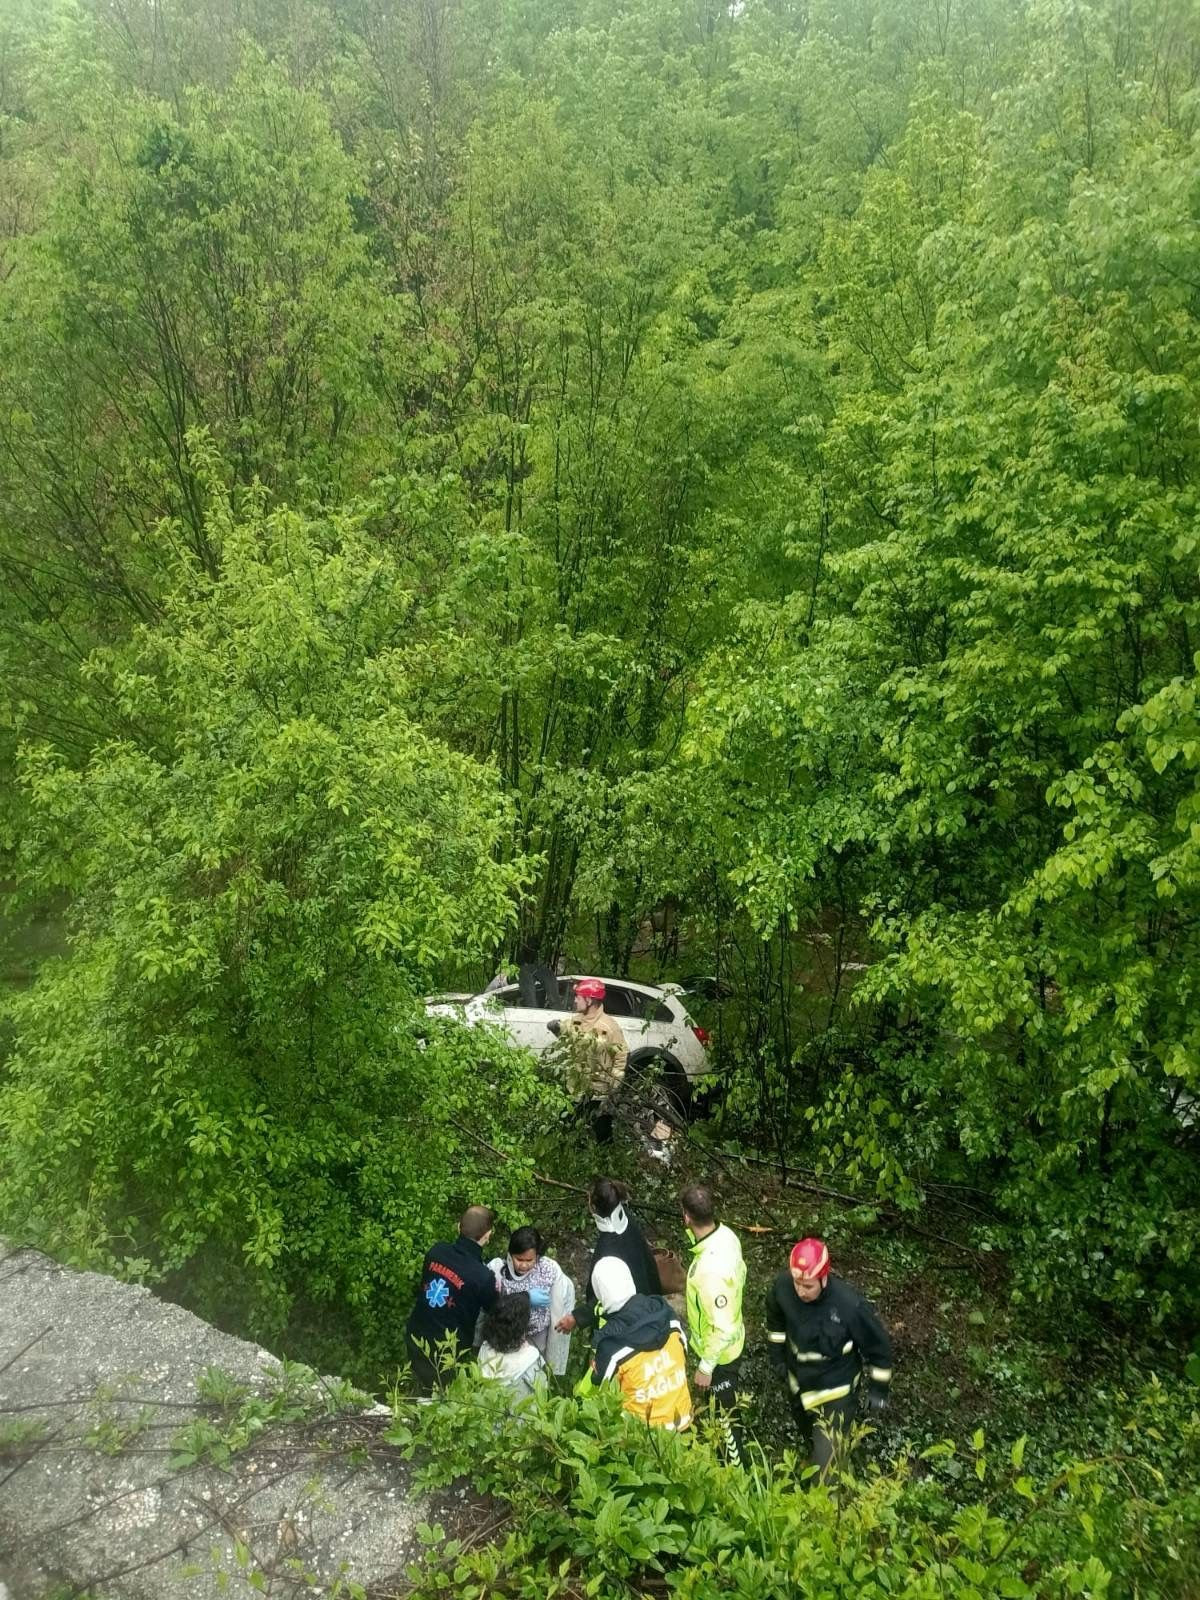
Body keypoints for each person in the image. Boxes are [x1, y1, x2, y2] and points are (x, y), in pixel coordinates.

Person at [765, 1236, 893, 1476]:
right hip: (799, 1387)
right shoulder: (783, 1287)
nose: (801, 1291)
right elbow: (775, 1320)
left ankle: (827, 1492)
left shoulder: (848, 1306)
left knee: (826, 1474)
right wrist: (777, 1359)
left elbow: (879, 1347)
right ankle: (816, 1454)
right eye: (797, 1284)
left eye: (808, 1286)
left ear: (824, 1277)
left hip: (835, 1395)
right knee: (809, 1437)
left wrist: (879, 1390)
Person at [584, 1258, 692, 1431]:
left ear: (600, 1292)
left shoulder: (610, 1345)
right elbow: (683, 1352)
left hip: (644, 1435)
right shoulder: (667, 1315)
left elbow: (603, 1390)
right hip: (683, 1418)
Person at [680, 1183, 746, 1465]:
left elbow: (722, 1326)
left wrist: (706, 1367)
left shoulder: (708, 1271)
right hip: (731, 1341)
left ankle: (737, 1472)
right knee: (723, 1410)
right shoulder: (727, 1235)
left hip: (720, 1357)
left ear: (686, 1217)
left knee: (726, 1419)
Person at [406, 1205, 500, 1393]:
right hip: (446, 1351)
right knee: (440, 1397)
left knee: (419, 1387)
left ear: (459, 1227)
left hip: (416, 1335)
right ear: (488, 1235)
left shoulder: (436, 1251)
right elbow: (496, 1309)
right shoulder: (483, 1276)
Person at [555, 1178, 662, 1338]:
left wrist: (577, 1317)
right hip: (651, 1304)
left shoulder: (607, 1254)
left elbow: (611, 1300)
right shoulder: (627, 1220)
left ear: (592, 1207)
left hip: (626, 1326)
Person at [484, 1225, 576, 1374]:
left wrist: (553, 1362)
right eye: (519, 1259)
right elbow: (492, 1307)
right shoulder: (498, 1270)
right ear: (510, 1254)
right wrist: (526, 1297)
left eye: (530, 1260)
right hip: (507, 1335)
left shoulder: (548, 1270)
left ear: (537, 1256)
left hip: (538, 1336)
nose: (524, 1265)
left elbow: (558, 1310)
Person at [551, 978, 627, 1143]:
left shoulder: (609, 1026)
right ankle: (572, 1160)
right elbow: (567, 1032)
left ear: (589, 1000)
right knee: (567, 1128)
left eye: (578, 996)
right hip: (576, 1088)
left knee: (602, 1134)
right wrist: (557, 1027)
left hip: (598, 1092)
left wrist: (614, 1089)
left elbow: (620, 1057)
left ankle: (603, 1162)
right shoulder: (576, 1020)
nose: (575, 1000)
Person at [478, 1291, 548, 1406]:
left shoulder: (485, 1348)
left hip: (489, 1417)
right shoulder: (531, 1357)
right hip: (521, 1419)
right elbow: (542, 1391)